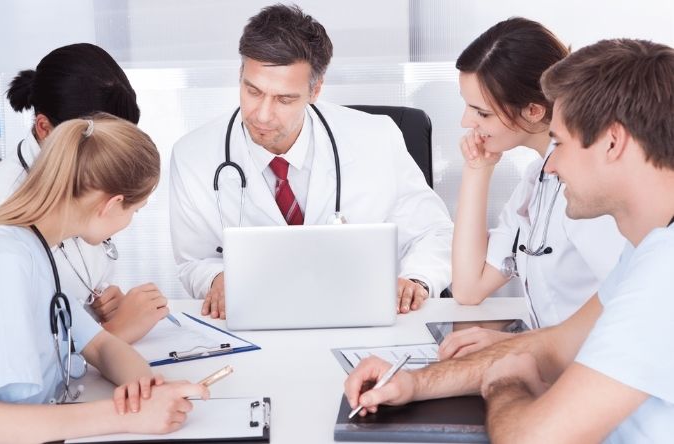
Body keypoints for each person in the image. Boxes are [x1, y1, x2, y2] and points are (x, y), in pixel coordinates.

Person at [344, 38, 674, 442]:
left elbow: (531, 439)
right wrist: (415, 383)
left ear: (612, 142)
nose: (550, 165)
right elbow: (556, 344)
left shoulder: (663, 278)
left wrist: (505, 383)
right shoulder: (648, 251)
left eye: (562, 143)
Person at [0, 114, 209, 443]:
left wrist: (144, 388)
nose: (130, 221)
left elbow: (102, 345)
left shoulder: (35, 248)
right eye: (135, 211)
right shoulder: (0, 264)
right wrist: (126, 415)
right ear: (112, 204)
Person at [169, 4, 454, 319]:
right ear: (240, 76)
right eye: (253, 91)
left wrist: (416, 279)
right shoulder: (193, 156)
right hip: (259, 319)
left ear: (315, 90)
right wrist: (216, 279)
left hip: (360, 317)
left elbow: (433, 231)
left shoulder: (378, 138)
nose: (262, 114)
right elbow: (193, 261)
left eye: (284, 99)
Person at [0, 43, 168, 343]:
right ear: (44, 128)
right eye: (101, 143)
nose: (111, 156)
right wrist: (112, 335)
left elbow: (67, 291)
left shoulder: (82, 180)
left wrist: (100, 302)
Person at [446, 18, 625, 358]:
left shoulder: (589, 190)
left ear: (532, 110)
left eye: (481, 113)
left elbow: (630, 303)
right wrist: (477, 170)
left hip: (594, 374)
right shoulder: (536, 178)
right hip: (557, 364)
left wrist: (522, 346)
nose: (466, 123)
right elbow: (469, 288)